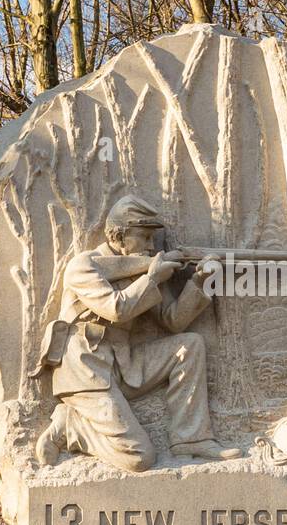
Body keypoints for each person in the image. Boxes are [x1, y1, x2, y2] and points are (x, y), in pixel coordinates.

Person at [32, 194, 241, 471]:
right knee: (139, 458)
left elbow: (173, 321)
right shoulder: (85, 266)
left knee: (189, 345)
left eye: (152, 240)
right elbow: (116, 309)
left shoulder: (143, 268)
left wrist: (199, 282)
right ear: (118, 237)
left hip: (123, 363)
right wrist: (152, 278)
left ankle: (191, 438)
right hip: (85, 370)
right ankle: (69, 425)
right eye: (143, 238)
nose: (150, 247)